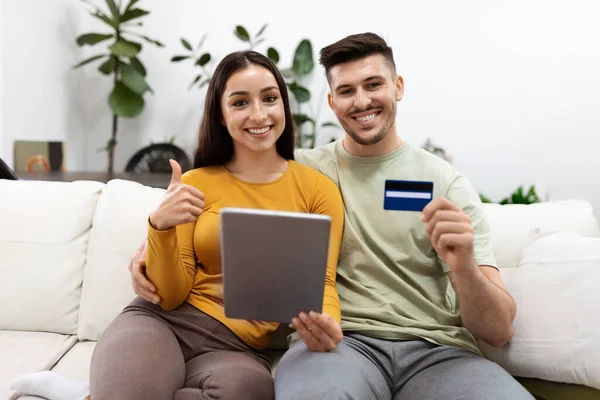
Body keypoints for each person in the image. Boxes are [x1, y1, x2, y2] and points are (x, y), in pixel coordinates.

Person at [134, 32, 533, 399]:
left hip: (439, 352)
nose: (361, 101)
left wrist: (463, 266)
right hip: (338, 346)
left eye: (373, 84)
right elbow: (222, 200)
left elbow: (499, 331)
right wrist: (146, 250)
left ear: (398, 87)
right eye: (346, 90)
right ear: (331, 102)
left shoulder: (446, 183)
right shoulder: (303, 173)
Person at [8, 50, 344, 400]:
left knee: (253, 391)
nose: (258, 114)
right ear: (220, 114)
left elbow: (321, 279)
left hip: (237, 350)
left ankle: (91, 395)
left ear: (283, 106)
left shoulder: (317, 190)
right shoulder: (194, 182)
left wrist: (327, 323)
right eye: (240, 102)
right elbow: (170, 294)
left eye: (270, 99)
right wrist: (159, 226)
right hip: (162, 323)